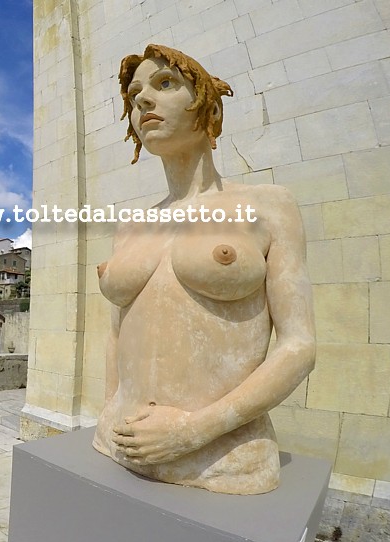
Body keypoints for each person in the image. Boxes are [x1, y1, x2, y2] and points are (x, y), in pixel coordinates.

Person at [92, 45, 316, 495]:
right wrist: (111, 410)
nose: (141, 100)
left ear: (207, 106)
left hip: (224, 458)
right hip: (116, 442)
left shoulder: (267, 207)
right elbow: (116, 334)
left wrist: (193, 431)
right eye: (135, 92)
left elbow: (299, 345)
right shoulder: (131, 226)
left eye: (165, 84)